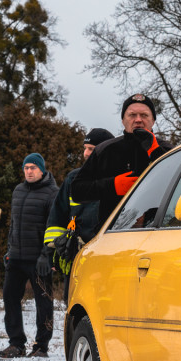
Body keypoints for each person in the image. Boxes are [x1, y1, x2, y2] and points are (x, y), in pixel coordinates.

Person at [69, 94, 170, 240]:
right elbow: (77, 190)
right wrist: (112, 186)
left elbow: (180, 185)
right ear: (123, 120)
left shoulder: (169, 150)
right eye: (132, 115)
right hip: (111, 236)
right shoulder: (105, 150)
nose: (138, 120)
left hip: (156, 236)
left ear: (153, 120)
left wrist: (156, 153)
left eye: (144, 115)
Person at [0, 153, 59, 359]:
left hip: (39, 260)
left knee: (43, 302)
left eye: (33, 167)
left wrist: (47, 256)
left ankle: (41, 346)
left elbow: (55, 227)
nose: (29, 171)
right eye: (26, 168)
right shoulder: (18, 191)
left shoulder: (52, 193)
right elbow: (13, 224)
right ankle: (16, 344)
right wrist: (9, 250)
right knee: (10, 297)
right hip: (16, 257)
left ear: (42, 169)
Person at [40, 127, 113, 298]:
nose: (86, 153)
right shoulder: (73, 179)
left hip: (107, 258)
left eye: (91, 149)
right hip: (75, 258)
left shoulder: (118, 179)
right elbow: (57, 216)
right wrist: (49, 251)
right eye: (85, 149)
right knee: (73, 307)